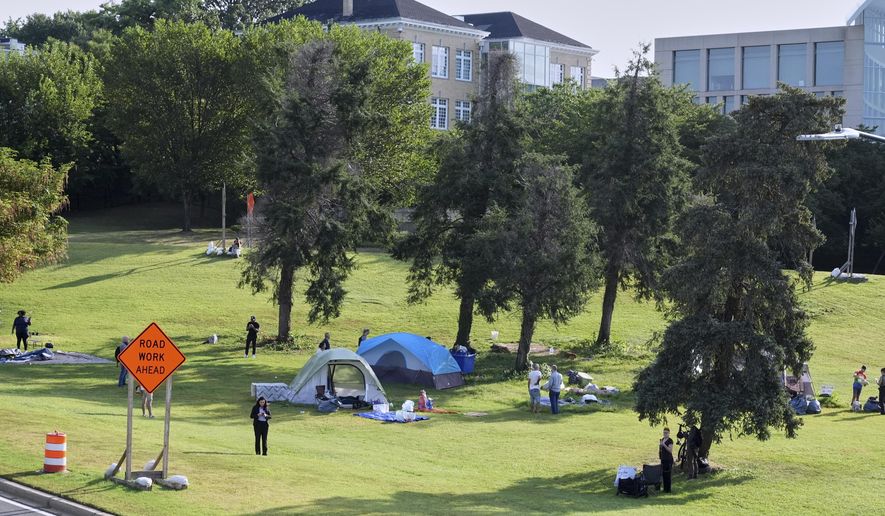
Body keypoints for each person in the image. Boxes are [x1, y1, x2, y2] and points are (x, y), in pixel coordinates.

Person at [659, 427, 674, 493]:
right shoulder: (662, 439)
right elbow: (661, 449)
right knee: (664, 474)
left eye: (666, 433)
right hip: (663, 459)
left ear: (669, 433)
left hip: (668, 459)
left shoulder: (670, 440)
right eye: (664, 432)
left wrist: (664, 445)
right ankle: (665, 489)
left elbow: (670, 450)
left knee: (668, 474)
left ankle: (668, 489)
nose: (665, 434)